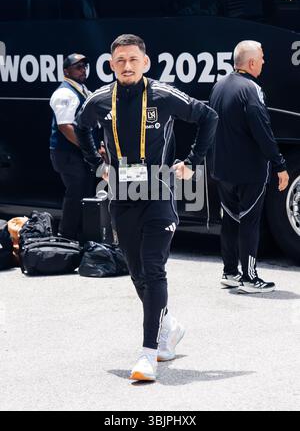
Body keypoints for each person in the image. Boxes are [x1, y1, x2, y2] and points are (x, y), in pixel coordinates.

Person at [75, 34, 218, 382]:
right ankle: (169, 324)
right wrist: (98, 162)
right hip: (121, 197)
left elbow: (208, 116)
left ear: (145, 62)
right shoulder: (98, 100)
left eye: (133, 59)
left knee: (153, 269)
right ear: (111, 65)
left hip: (158, 191)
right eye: (120, 60)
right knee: (137, 273)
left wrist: (191, 161)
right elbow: (81, 128)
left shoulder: (162, 95)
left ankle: (147, 354)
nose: (127, 66)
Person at [209, 40, 289, 294]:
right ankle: (250, 278)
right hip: (249, 170)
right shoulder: (252, 89)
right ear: (252, 62)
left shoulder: (219, 86)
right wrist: (280, 164)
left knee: (231, 220)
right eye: (262, 57)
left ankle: (229, 272)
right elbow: (262, 128)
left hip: (222, 169)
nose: (264, 62)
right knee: (249, 222)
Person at [49, 53, 100, 241]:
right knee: (75, 194)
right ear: (66, 71)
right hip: (67, 154)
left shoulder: (82, 89)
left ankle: (79, 237)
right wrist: (90, 149)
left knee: (84, 193)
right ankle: (66, 237)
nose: (82, 70)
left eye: (84, 67)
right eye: (77, 67)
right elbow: (65, 127)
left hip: (78, 154)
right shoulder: (64, 93)